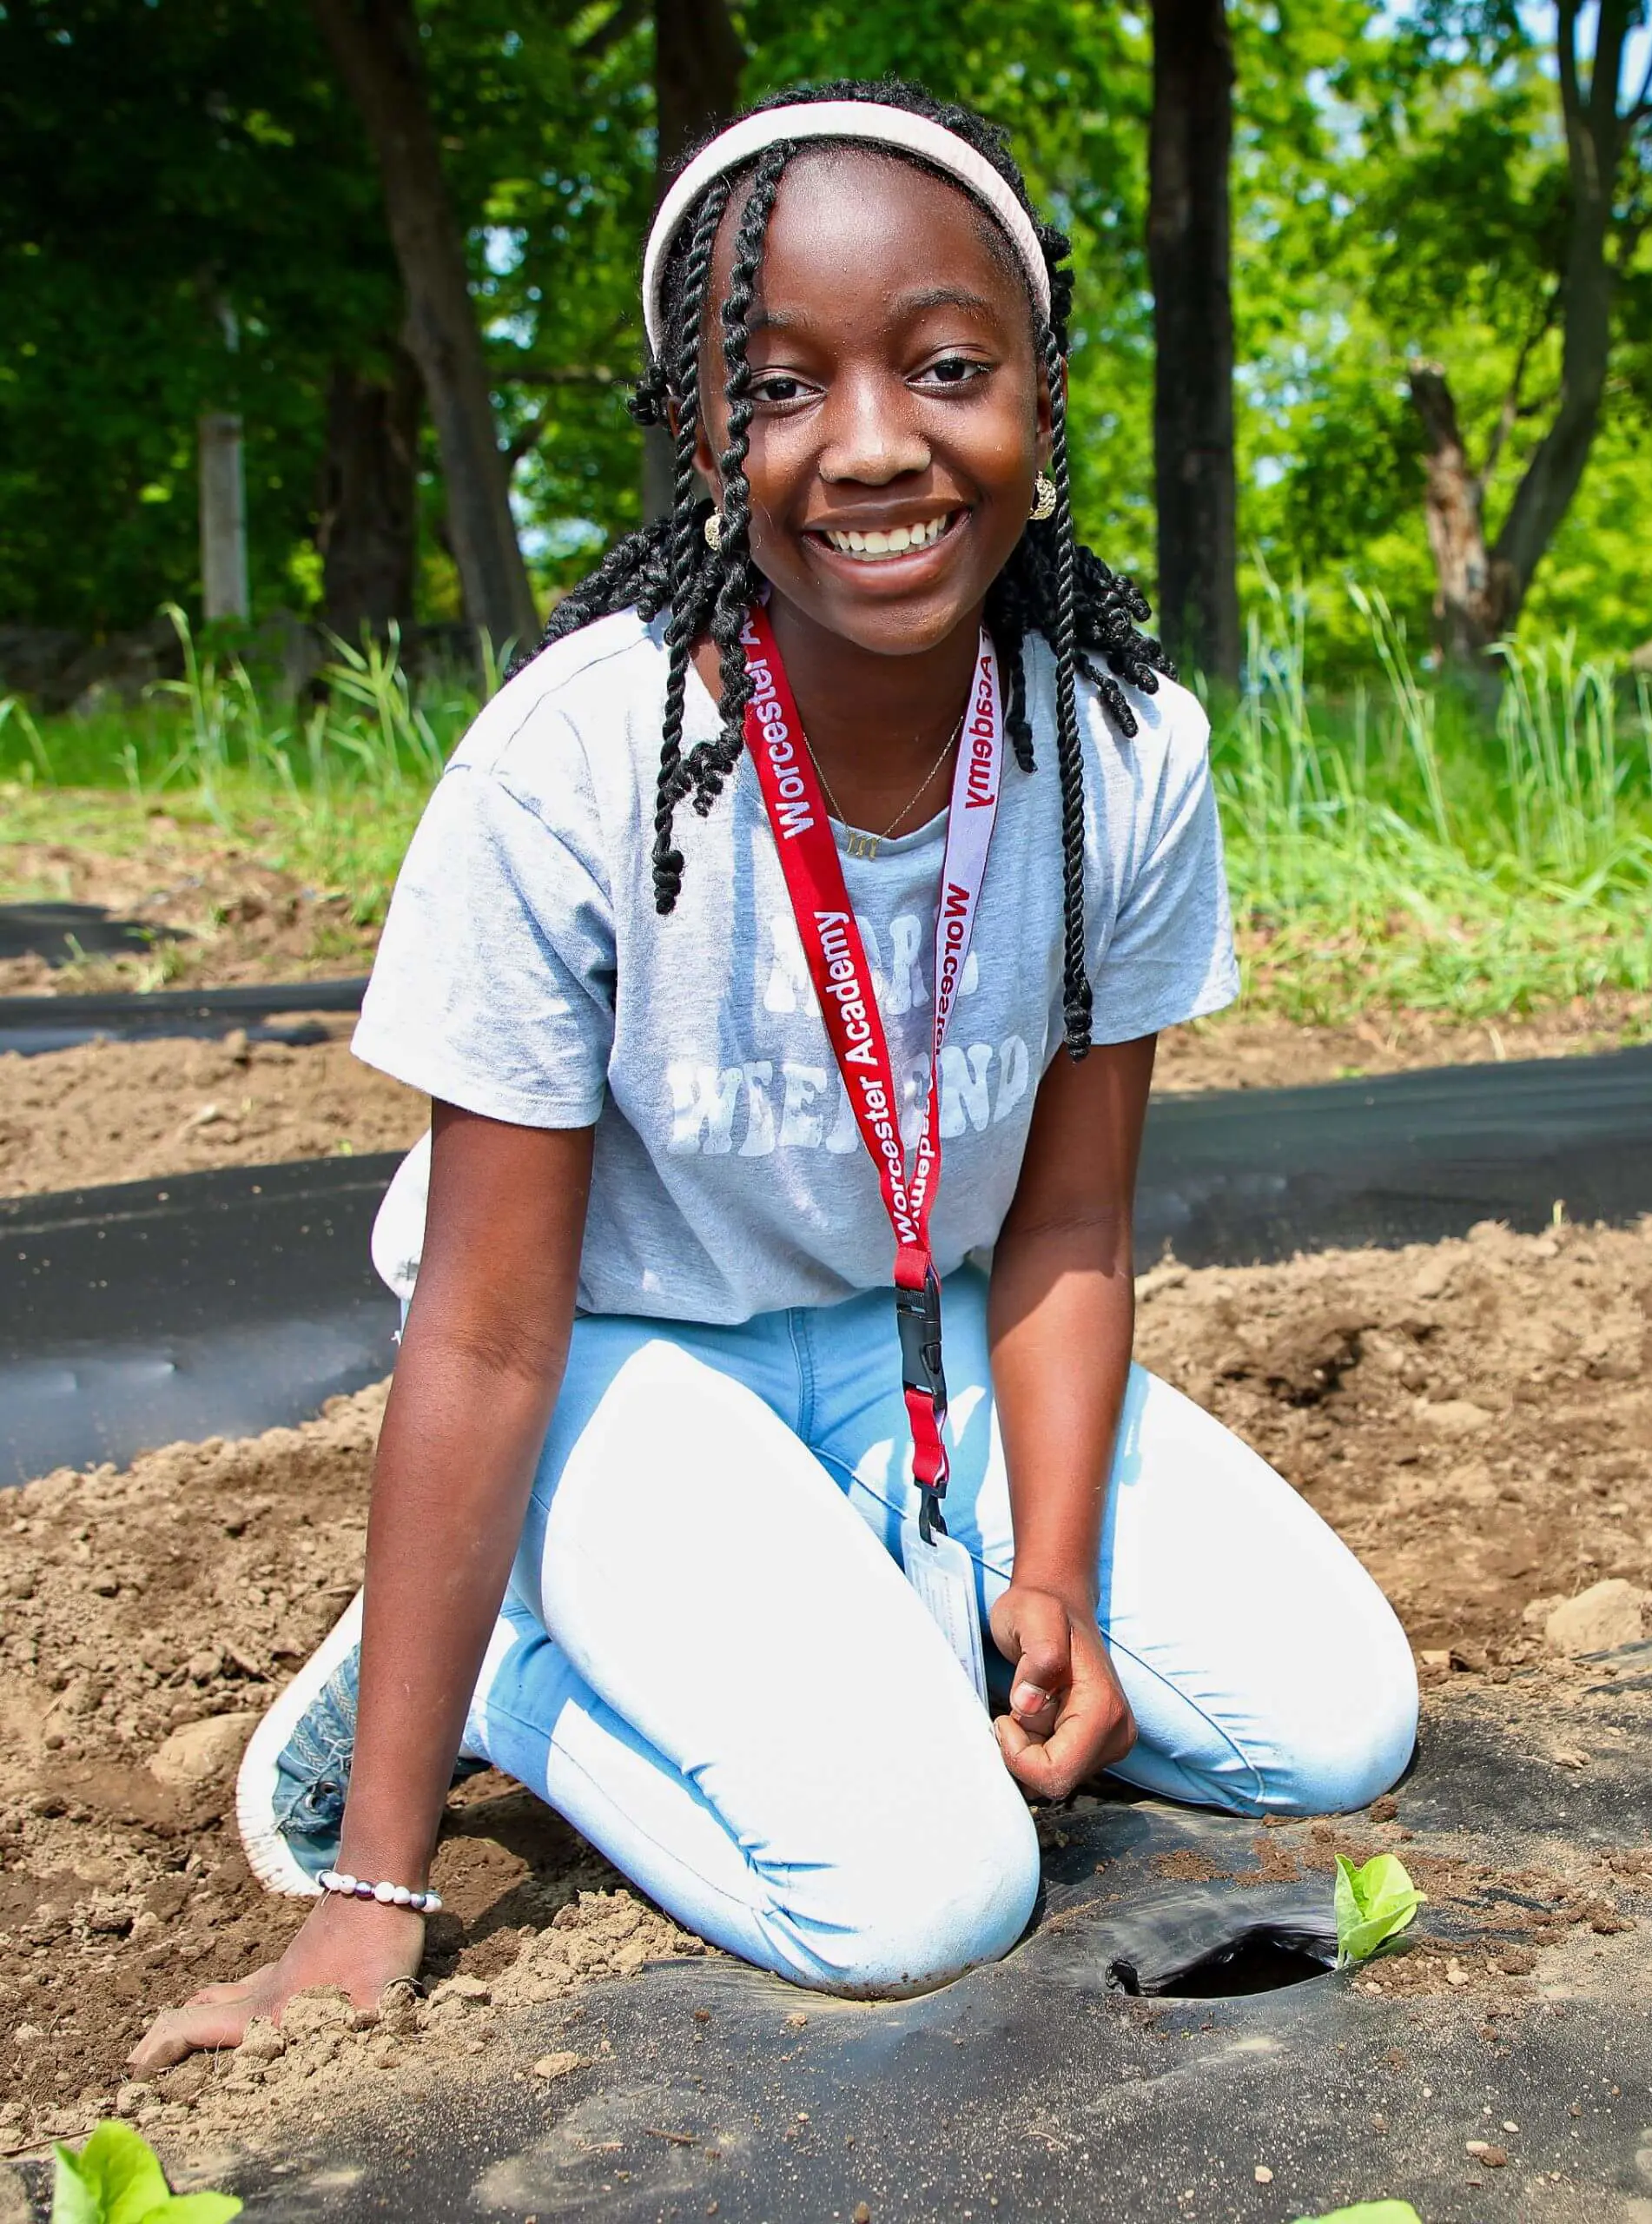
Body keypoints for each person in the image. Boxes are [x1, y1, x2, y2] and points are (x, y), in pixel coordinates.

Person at [133, 79, 1417, 2067]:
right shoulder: (578, 767)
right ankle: (493, 1678)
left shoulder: (1116, 745)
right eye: (781, 387)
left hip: (934, 1340)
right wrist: (379, 1887)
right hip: (614, 1370)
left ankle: (845, 1604)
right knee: (926, 1893)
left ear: (1041, 392)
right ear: (693, 440)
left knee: (1333, 1725)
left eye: (946, 364)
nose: (877, 443)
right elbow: (480, 1335)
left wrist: (1052, 1575)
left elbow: (1068, 1215)